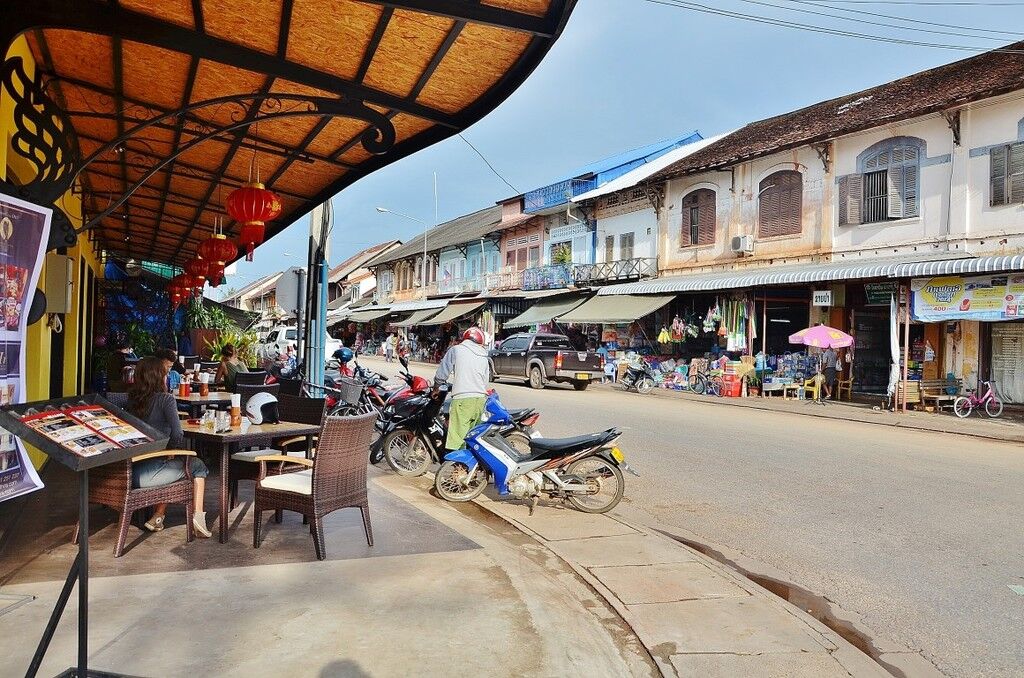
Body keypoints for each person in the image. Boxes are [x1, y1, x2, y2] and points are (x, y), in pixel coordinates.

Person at [127, 357, 211, 537]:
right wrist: (170, 452)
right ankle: (198, 516)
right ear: (159, 378)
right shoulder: (166, 400)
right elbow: (177, 434)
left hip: (129, 472)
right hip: (151, 474)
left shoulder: (131, 401)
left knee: (175, 467)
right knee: (197, 465)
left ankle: (158, 516)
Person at [434, 327, 489, 451]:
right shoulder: (484, 355)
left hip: (463, 400)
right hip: (480, 400)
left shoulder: (456, 350)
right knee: (473, 437)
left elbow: (442, 374)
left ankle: (459, 467)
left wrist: (436, 387)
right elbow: (485, 382)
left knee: (458, 438)